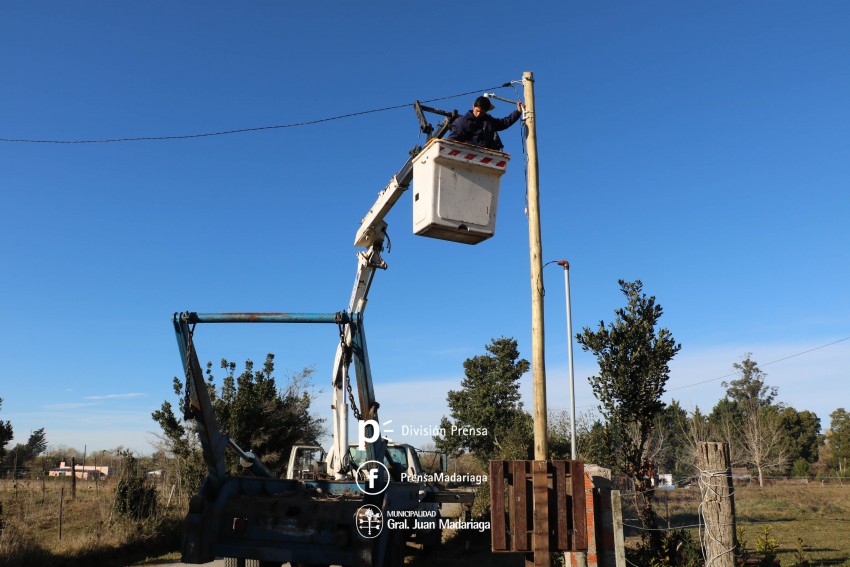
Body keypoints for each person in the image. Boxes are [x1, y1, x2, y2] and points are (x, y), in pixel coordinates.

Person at [446, 95, 524, 151]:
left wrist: (518, 112)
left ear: (486, 111)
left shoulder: (488, 121)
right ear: (473, 106)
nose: (479, 114)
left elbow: (504, 123)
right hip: (468, 154)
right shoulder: (462, 122)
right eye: (477, 111)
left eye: (482, 112)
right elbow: (452, 140)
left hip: (487, 156)